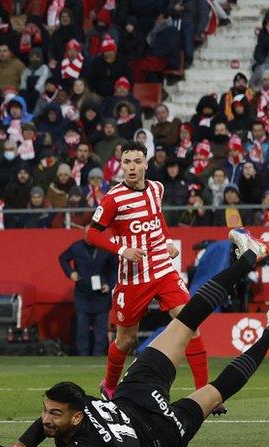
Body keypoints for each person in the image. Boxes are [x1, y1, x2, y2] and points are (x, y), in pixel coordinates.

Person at [0, 229, 269, 447]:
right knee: (214, 391)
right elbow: (37, 442)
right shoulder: (81, 430)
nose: (45, 419)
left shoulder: (81, 438)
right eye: (47, 411)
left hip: (135, 397)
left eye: (53, 413)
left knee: (185, 322)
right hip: (160, 435)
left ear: (77, 414)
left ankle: (247, 259)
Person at [85, 142, 216, 412]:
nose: (131, 167)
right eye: (127, 162)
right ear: (121, 166)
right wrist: (122, 249)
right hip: (133, 277)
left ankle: (205, 392)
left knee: (191, 321)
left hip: (163, 267)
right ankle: (109, 385)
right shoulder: (113, 199)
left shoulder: (157, 188)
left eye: (136, 161)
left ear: (146, 164)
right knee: (126, 341)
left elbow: (158, 219)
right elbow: (91, 233)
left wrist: (166, 240)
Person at [59, 239, 117, 356]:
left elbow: (115, 268)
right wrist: (70, 272)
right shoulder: (77, 247)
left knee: (100, 330)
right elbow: (63, 258)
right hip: (82, 295)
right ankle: (82, 356)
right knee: (81, 329)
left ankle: (98, 355)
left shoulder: (106, 247)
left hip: (101, 295)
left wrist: (110, 284)